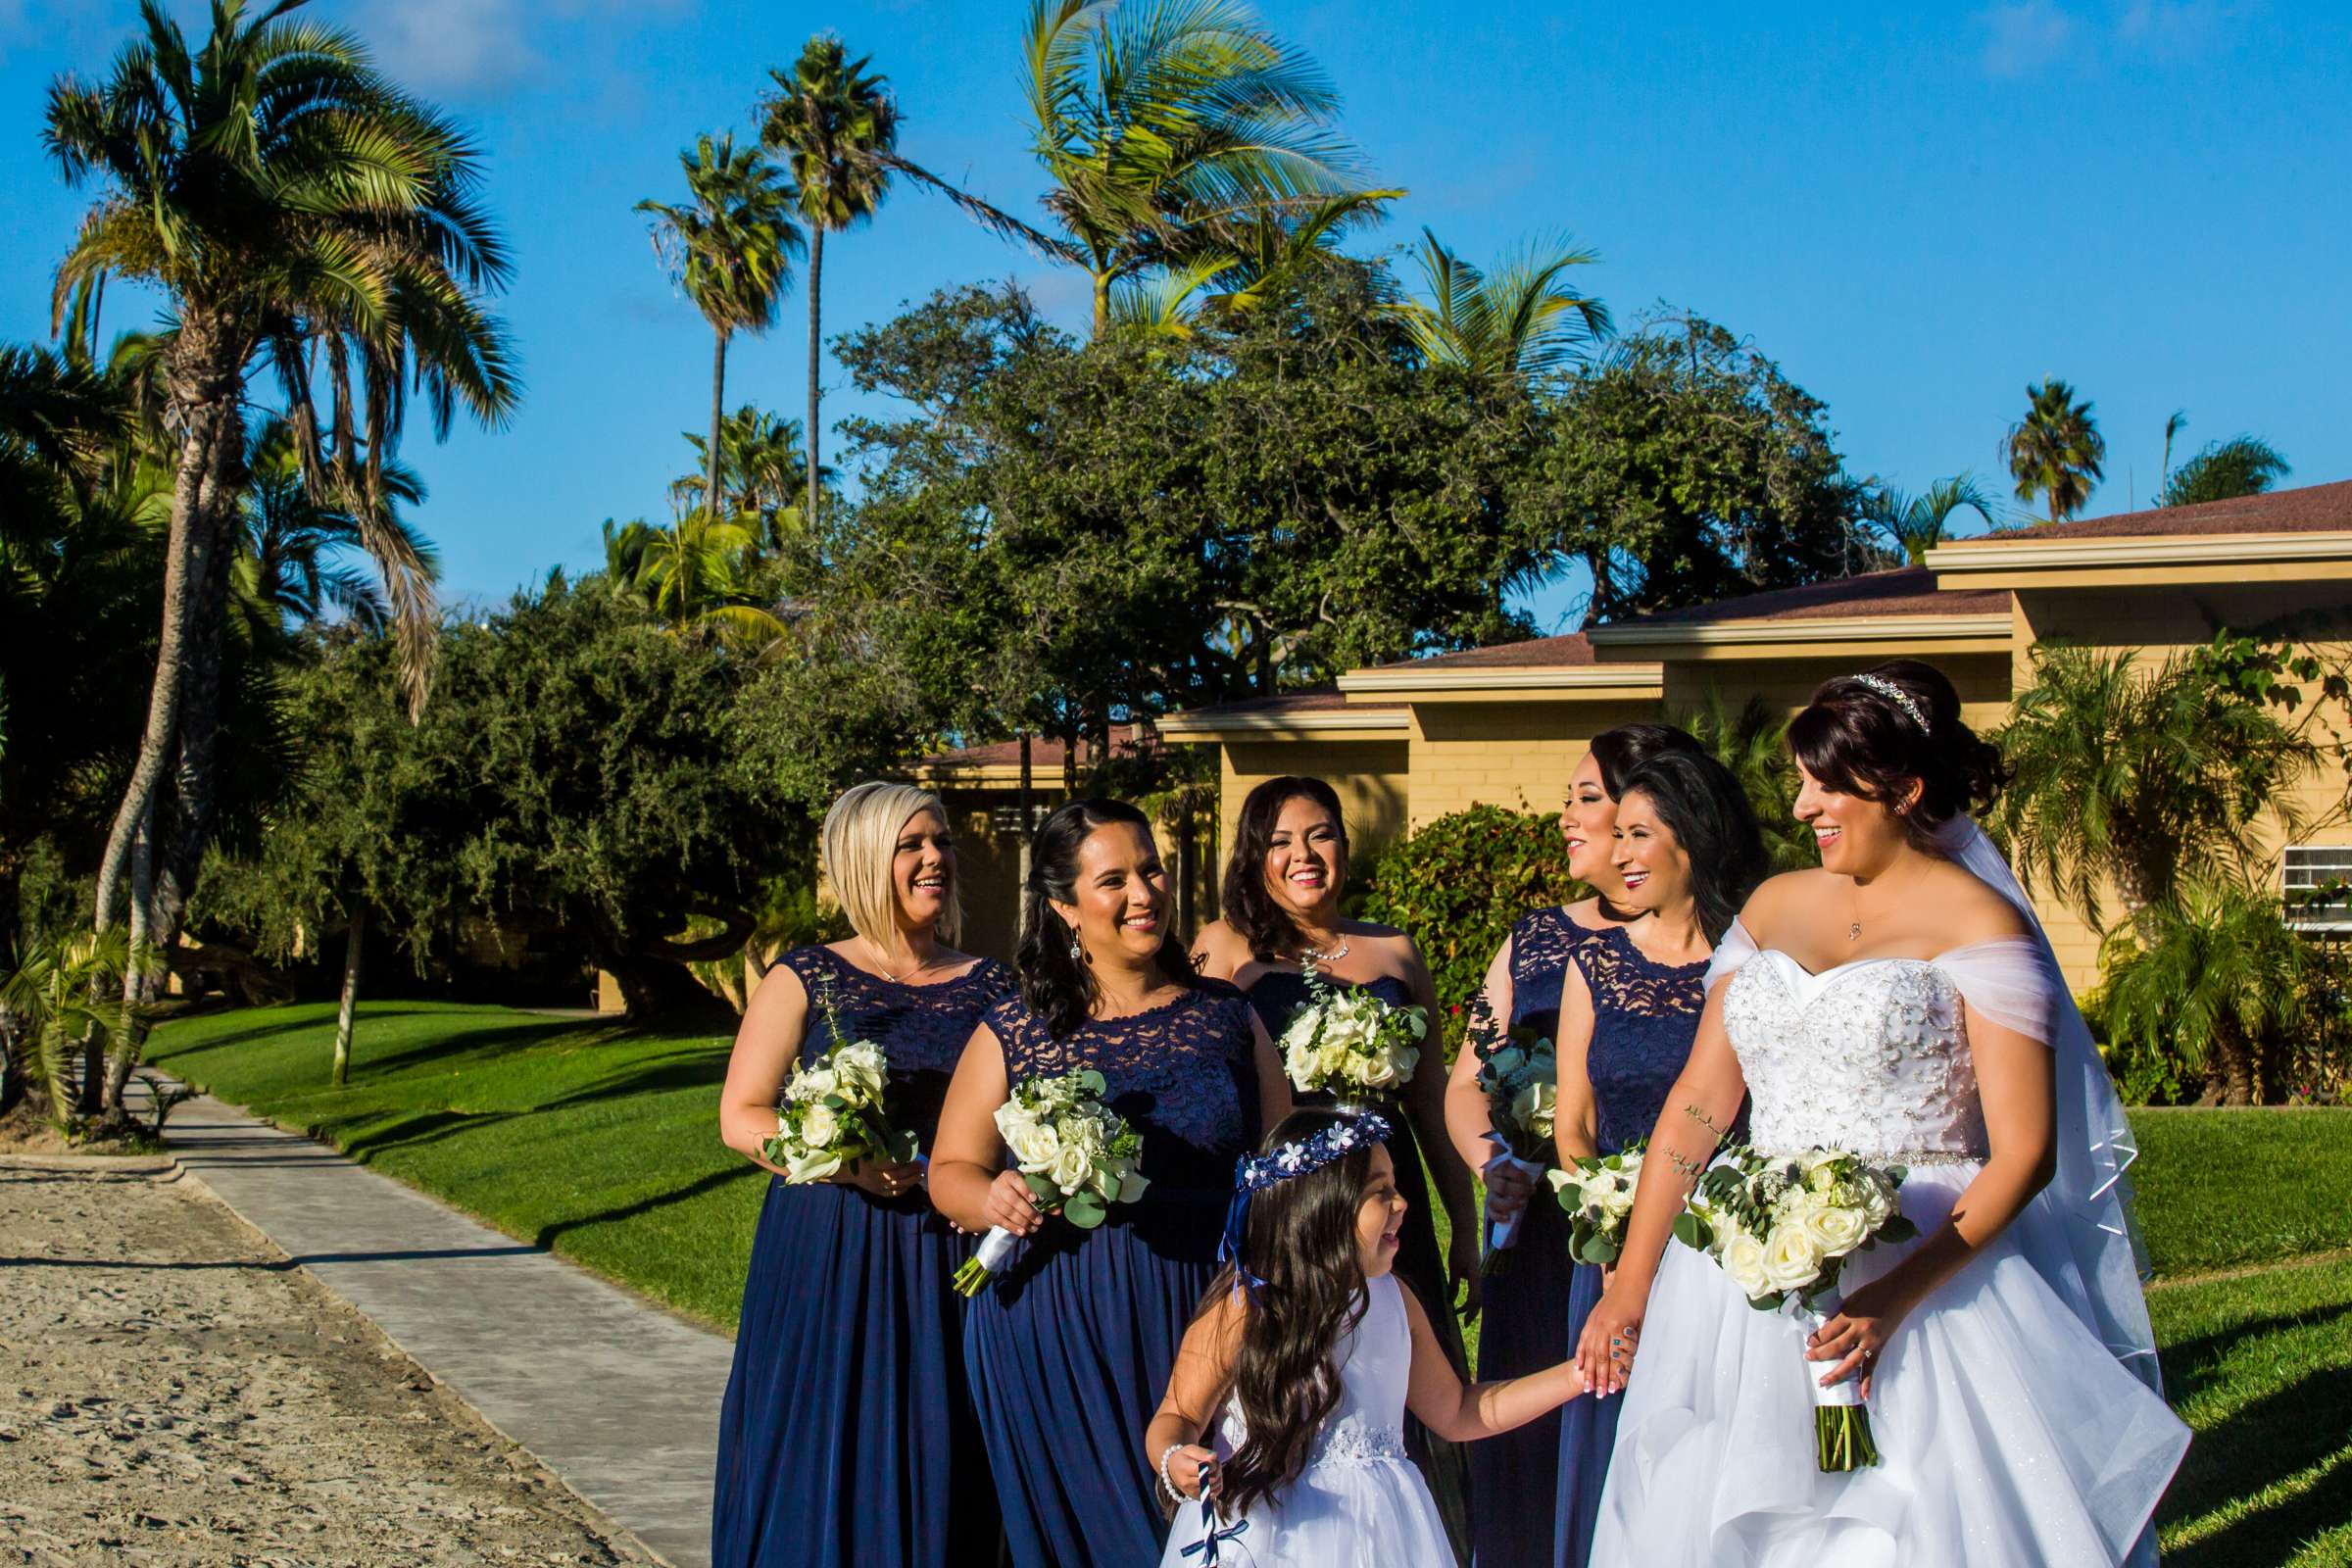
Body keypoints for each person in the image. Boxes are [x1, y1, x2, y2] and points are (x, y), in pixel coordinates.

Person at [1578, 662, 2189, 1567]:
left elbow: (2024, 1154)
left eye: (1827, 786)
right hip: (1743, 1280)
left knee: (1909, 1518)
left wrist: (1892, 1299)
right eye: (1800, 783)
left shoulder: (1981, 924)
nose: (1801, 808)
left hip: (1926, 1275)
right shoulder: (1774, 906)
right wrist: (1630, 1284)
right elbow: (1702, 1104)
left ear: (1903, 789)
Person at [932, 798, 1292, 1568]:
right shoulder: (1018, 1026)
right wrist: (990, 1196)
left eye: (1152, 870)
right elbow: (950, 1171)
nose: (1145, 894)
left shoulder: (1228, 1015)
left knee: (1218, 1536)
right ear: (1063, 906)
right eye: (1114, 880)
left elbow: (1287, 1166)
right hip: (1057, 1328)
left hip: (1207, 1313)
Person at [710, 782, 1014, 1568]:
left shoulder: (995, 985)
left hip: (947, 1250)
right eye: (911, 846)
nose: (934, 860)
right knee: (823, 1437)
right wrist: (840, 1162)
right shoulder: (805, 978)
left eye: (940, 843)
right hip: (829, 1251)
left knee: (942, 1440)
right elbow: (741, 1114)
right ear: (863, 860)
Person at [1192, 777, 1482, 1560]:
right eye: (1280, 841)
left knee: (1402, 1385)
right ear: (1254, 856)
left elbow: (1428, 1100)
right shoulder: (1222, 950)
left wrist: (1466, 1232)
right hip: (1296, 1212)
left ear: (1344, 847)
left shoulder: (1393, 949)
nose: (1303, 856)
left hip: (1389, 1208)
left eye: (1320, 835)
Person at [1443, 723, 1702, 1568]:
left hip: (1689, 1239)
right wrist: (1495, 1164)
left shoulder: (1728, 944)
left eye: (1588, 799)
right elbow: (1465, 1084)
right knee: (1538, 1450)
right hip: (1553, 1231)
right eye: (1569, 797)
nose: (1567, 817)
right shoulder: (1536, 940)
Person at [1146, 1107, 1609, 1567]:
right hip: (1272, 1534)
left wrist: (1577, 1375)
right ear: (1322, 1209)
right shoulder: (1247, 1307)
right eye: (1380, 1192)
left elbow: (1459, 1411)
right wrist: (1174, 1458)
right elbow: (1179, 1412)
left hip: (1386, 1532)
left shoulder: (1393, 1299)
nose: (1403, 1202)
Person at [1544, 748, 1764, 1566]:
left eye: (1639, 835)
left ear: (1693, 839)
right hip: (1608, 1253)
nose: (1621, 853)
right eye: (1619, 834)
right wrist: (1604, 1225)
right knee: (1617, 1453)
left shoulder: (1756, 961)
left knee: (1710, 1447)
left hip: (1723, 1248)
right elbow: (1575, 1120)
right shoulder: (1592, 963)